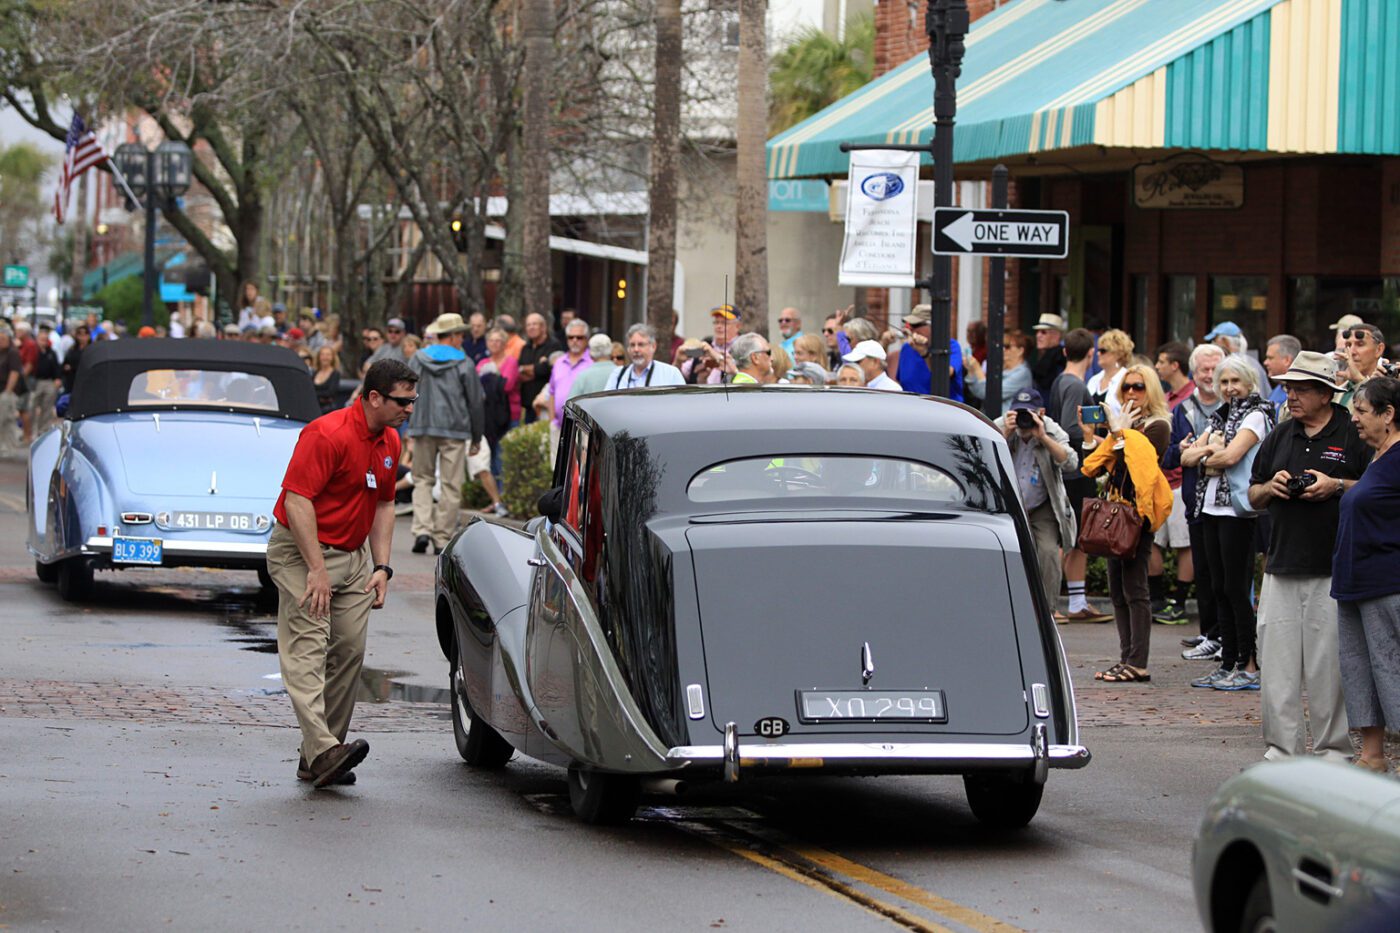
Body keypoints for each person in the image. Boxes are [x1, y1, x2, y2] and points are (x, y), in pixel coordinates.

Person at [267, 357, 412, 787]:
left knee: (348, 649)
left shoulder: (390, 441)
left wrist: (382, 565)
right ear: (373, 397)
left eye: (413, 400)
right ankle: (325, 748)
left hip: (352, 559)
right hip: (301, 553)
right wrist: (315, 570)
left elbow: (385, 504)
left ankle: (319, 757)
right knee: (309, 647)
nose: (410, 409)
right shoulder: (326, 433)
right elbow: (297, 500)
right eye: (402, 401)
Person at [1246, 351, 1371, 763]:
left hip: (1333, 567)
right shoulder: (1281, 434)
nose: (1291, 395)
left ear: (1325, 394)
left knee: (1327, 670)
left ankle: (1333, 750)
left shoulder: (1353, 433)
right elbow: (1252, 494)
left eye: (1300, 389)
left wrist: (1334, 485)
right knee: (1277, 668)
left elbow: (1377, 490)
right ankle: (1281, 752)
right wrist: (1273, 488)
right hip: (1281, 564)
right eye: (1288, 387)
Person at [1182, 354, 1276, 692]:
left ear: (1250, 382)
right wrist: (1209, 452)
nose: (1229, 388)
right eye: (1224, 382)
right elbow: (1185, 457)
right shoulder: (1219, 415)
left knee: (1236, 589)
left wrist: (1208, 453)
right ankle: (1226, 664)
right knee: (1218, 587)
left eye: (1236, 381)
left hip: (1237, 511)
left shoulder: (1257, 414)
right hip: (1209, 509)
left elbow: (1231, 456)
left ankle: (1248, 664)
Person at [1079, 364, 1173, 683]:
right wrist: (1109, 434)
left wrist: (1123, 433)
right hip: (1115, 513)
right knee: (1117, 591)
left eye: (1139, 387)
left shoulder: (1158, 426)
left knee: (1136, 589)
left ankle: (1138, 661)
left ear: (1152, 391)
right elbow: (1092, 467)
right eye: (1127, 388)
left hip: (1138, 516)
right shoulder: (1125, 426)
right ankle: (1125, 657)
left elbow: (1141, 466)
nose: (1132, 393)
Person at [1332, 377, 1400, 773]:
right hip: (1354, 583)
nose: (1353, 419)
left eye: (1360, 411)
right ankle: (1371, 757)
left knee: (1392, 668)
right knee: (1359, 670)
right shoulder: (1375, 456)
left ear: (1388, 414)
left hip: (1387, 582)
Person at [1166, 344, 1228, 661]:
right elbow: (1169, 457)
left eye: (1215, 369)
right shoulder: (1183, 409)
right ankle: (1209, 632)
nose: (1209, 375)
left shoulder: (1234, 406)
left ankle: (1223, 635)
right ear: (1193, 372)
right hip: (1195, 499)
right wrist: (1181, 449)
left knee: (1224, 572)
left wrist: (1197, 453)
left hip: (1226, 501)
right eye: (1204, 369)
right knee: (1203, 570)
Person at [405, 313, 486, 556]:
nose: (463, 339)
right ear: (450, 337)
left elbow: (406, 391)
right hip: (455, 429)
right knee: (451, 485)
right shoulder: (464, 363)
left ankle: (421, 529)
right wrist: (477, 435)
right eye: (460, 335)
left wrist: (409, 422)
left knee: (422, 479)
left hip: (423, 426)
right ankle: (441, 537)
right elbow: (475, 402)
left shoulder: (417, 359)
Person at [994, 388, 1078, 614]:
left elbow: (1070, 462)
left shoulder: (1049, 428)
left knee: (1049, 552)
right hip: (1008, 506)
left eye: (1029, 413)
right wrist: (1005, 435)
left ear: (1040, 412)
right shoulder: (1001, 425)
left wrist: (1042, 437)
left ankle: (1047, 612)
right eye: (1018, 412)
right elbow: (979, 458)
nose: (1023, 419)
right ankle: (1004, 608)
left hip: (1042, 507)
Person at [1047, 328, 1110, 622]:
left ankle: (1076, 601)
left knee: (1077, 537)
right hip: (1076, 470)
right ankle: (1049, 601)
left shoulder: (1062, 381)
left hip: (1071, 470)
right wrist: (1105, 443)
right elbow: (1072, 430)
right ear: (1091, 354)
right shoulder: (1073, 385)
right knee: (1069, 537)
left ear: (1063, 352)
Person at [1149, 340, 1197, 623]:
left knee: (1183, 544)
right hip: (1159, 479)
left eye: (1162, 361)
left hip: (1179, 482)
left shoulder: (1190, 398)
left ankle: (1178, 602)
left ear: (1175, 365)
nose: (1157, 367)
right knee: (1153, 541)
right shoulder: (1166, 397)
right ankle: (1156, 601)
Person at [533, 318, 594, 460]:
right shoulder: (559, 362)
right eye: (571, 337)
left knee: (579, 472)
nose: (574, 341)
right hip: (558, 427)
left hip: (582, 429)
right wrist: (552, 420)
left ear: (586, 339)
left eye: (579, 337)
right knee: (556, 470)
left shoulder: (592, 363)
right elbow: (552, 392)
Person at [898, 304, 964, 401]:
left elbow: (944, 374)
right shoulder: (907, 348)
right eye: (910, 325)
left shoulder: (952, 346)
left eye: (916, 325)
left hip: (944, 409)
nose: (911, 329)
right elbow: (900, 381)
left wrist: (925, 354)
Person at [606, 324, 686, 389]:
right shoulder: (618, 374)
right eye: (632, 345)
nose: (636, 349)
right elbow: (607, 404)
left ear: (653, 346)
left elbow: (681, 404)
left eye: (641, 345)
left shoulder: (670, 374)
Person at [1206, 321, 1272, 395]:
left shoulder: (1231, 365)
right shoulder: (1253, 363)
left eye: (1214, 340)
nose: (1213, 344)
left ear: (1225, 341)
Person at [517, 312, 562, 422]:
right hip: (527, 406)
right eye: (528, 325)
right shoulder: (525, 348)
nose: (531, 327)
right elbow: (519, 372)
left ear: (543, 327)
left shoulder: (554, 345)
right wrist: (536, 369)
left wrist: (529, 369)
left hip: (545, 406)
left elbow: (546, 370)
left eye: (534, 324)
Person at [682, 306, 741, 385]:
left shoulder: (743, 347)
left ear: (738, 326)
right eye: (716, 322)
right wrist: (678, 361)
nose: (719, 326)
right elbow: (684, 372)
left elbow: (748, 377)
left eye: (724, 323)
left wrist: (715, 356)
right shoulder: (706, 343)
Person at [1336, 323, 1387, 410]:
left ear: (1379, 350)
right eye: (1348, 345)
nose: (1352, 352)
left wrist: (1359, 380)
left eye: (1360, 344)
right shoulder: (1337, 392)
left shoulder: (1389, 389)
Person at [479, 327, 522, 427]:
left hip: (510, 414)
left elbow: (506, 386)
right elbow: (477, 385)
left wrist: (487, 380)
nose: (494, 343)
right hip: (488, 414)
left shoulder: (511, 362)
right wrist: (496, 379)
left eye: (498, 340)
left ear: (504, 343)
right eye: (491, 340)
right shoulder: (482, 362)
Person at [1086, 328, 1133, 417]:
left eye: (1103, 351)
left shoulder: (1127, 379)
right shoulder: (1094, 380)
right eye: (1098, 350)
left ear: (1118, 353)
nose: (1098, 354)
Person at [567, 333, 618, 401]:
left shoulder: (583, 376)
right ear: (611, 350)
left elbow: (570, 404)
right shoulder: (621, 373)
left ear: (590, 354)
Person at [1263, 334, 1300, 415]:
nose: (1265, 362)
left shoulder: (1299, 397)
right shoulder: (1278, 389)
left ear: (1287, 360)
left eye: (1270, 358)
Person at [1030, 313, 1066, 396]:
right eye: (1037, 332)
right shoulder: (1046, 356)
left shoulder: (1060, 358)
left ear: (1056, 335)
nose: (1038, 335)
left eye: (1043, 332)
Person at [998, 329, 1033, 413]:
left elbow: (991, 393)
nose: (1003, 350)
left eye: (1007, 347)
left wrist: (975, 370)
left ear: (1020, 351)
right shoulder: (1004, 369)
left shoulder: (1023, 373)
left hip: (1008, 423)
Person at [312, 345, 342, 415]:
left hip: (328, 409)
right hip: (314, 406)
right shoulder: (315, 372)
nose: (325, 357)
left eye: (328, 355)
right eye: (322, 354)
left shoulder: (335, 374)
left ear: (332, 357)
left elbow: (330, 392)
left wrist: (315, 394)